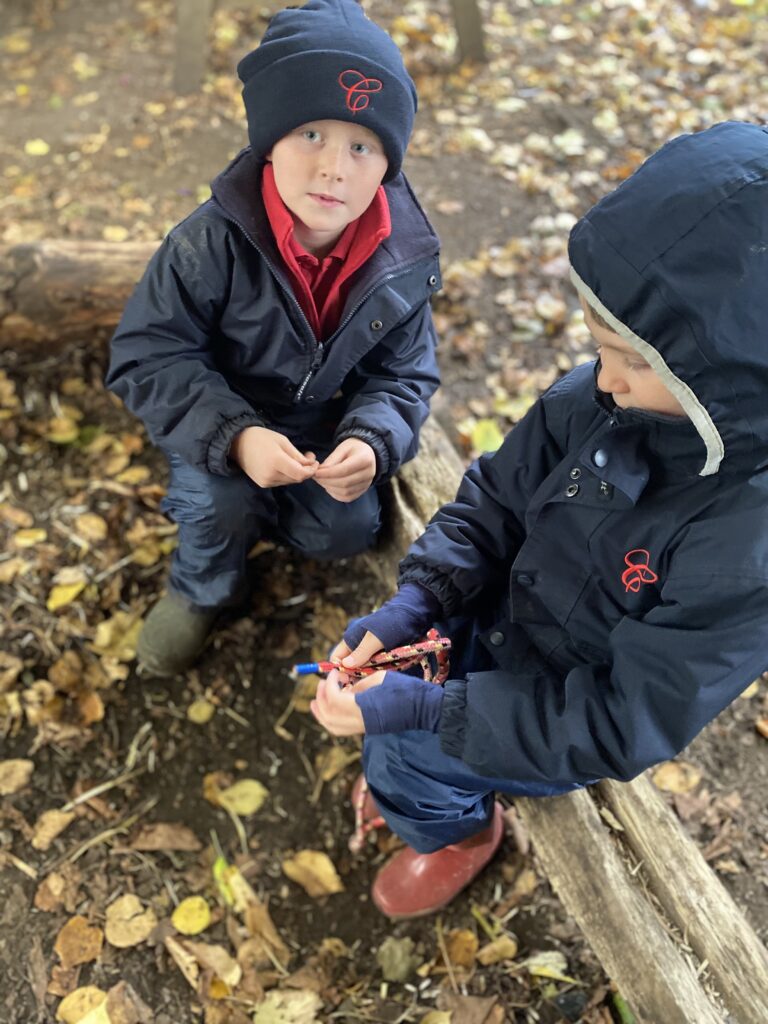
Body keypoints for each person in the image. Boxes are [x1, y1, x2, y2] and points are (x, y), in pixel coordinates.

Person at [311, 121, 768, 919]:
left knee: (407, 753)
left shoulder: (744, 546)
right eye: (600, 348)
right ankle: (416, 768)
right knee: (397, 713)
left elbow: (624, 719)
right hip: (495, 617)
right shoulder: (594, 394)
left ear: (730, 385)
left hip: (561, 711)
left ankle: (455, 833)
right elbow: (495, 499)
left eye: (635, 364)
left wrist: (424, 713)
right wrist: (421, 601)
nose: (607, 381)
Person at [106, 0, 441, 676]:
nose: (334, 168)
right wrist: (236, 436)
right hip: (220, 414)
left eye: (361, 145)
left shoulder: (402, 258)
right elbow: (149, 353)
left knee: (346, 529)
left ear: (388, 163)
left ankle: (269, 516)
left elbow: (405, 375)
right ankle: (202, 588)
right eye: (310, 134)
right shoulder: (210, 241)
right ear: (268, 137)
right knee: (218, 498)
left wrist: (369, 439)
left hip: (319, 424)